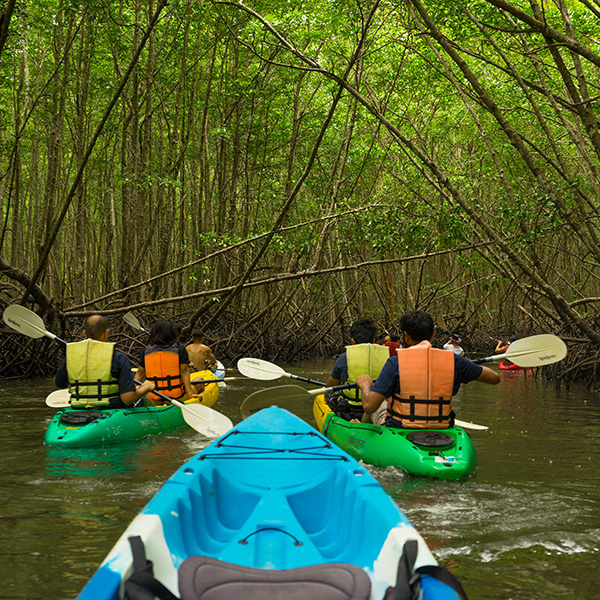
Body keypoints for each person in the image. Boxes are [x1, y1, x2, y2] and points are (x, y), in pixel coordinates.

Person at [356, 310, 500, 429]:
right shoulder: (454, 361)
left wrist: (365, 385)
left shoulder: (395, 362)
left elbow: (369, 406)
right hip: (442, 428)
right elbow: (495, 378)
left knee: (378, 399)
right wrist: (467, 366)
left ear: (406, 336)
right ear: (432, 335)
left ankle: (360, 431)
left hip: (401, 428)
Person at [54, 314, 155, 409]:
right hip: (110, 409)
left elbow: (59, 383)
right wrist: (145, 387)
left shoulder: (72, 356)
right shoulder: (119, 358)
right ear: (106, 333)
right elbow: (127, 398)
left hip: (77, 409)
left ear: (84, 334)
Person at [325, 319, 390, 420]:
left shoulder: (344, 358)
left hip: (350, 410)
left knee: (330, 396)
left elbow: (330, 387)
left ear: (353, 341)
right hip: (377, 408)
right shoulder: (388, 359)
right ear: (374, 340)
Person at [134, 319, 200, 406]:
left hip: (153, 398)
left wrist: (133, 392)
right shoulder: (179, 349)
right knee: (199, 380)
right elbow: (184, 371)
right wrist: (190, 393)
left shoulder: (146, 351)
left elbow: (140, 372)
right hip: (177, 398)